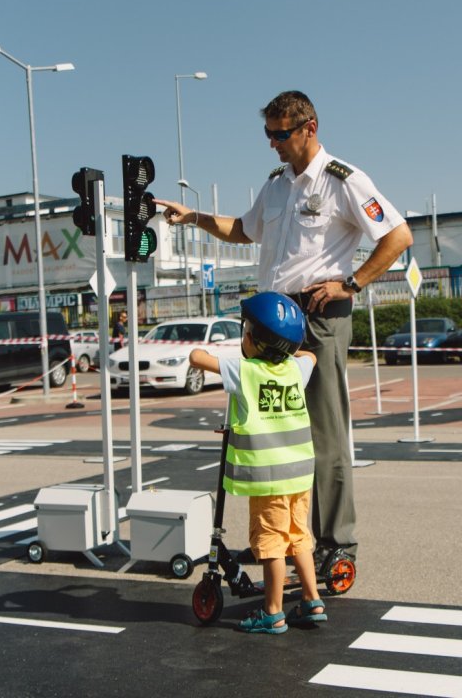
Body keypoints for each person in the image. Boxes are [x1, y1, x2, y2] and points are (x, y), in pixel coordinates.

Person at [157, 90, 413, 574]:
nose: (273, 143)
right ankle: (276, 537)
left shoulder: (345, 180)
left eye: (281, 134)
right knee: (270, 429)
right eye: (268, 134)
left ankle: (336, 542)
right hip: (269, 319)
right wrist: (192, 217)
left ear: (309, 127)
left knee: (324, 432)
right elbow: (242, 230)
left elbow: (397, 235)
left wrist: (352, 282)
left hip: (317, 317)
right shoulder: (276, 184)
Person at [190, 291, 326, 634]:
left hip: (269, 480)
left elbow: (196, 357)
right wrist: (289, 351)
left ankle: (273, 611)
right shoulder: (296, 369)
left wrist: (219, 353)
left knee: (271, 544)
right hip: (299, 474)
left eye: (247, 330)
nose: (243, 335)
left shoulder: (245, 371)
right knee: (299, 537)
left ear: (254, 339)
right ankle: (312, 601)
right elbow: (310, 355)